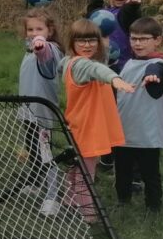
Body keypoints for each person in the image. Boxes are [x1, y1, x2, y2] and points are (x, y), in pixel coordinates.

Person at [58, 19, 137, 222]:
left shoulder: (69, 62)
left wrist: (105, 40)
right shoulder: (84, 65)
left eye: (92, 40)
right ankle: (88, 215)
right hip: (88, 127)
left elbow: (97, 64)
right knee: (87, 172)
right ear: (72, 43)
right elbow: (98, 70)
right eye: (81, 41)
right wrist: (115, 79)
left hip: (77, 123)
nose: (87, 45)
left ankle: (69, 204)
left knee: (77, 168)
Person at [113, 17, 163, 212]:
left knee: (150, 173)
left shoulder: (161, 65)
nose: (137, 43)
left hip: (147, 133)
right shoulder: (128, 63)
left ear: (158, 40)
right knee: (122, 171)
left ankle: (153, 208)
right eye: (133, 38)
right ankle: (123, 201)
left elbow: (155, 69)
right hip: (123, 128)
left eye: (144, 39)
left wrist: (152, 75)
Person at [18, 8, 65, 216]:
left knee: (45, 154)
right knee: (33, 150)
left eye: (39, 28)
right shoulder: (28, 50)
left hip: (43, 112)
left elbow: (43, 52)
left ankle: (52, 197)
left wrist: (40, 45)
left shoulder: (50, 49)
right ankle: (36, 182)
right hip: (28, 112)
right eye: (30, 29)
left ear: (50, 30)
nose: (34, 32)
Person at [87, 0, 142, 72]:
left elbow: (129, 13)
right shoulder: (107, 12)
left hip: (125, 67)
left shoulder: (128, 13)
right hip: (102, 65)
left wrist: (134, 3)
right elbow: (92, 16)